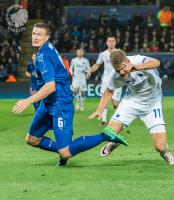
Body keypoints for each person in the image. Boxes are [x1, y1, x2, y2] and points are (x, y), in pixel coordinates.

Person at [12, 23, 128, 166]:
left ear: (47, 37)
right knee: (32, 139)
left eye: (39, 35)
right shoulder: (43, 51)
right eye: (34, 33)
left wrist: (27, 101)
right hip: (48, 102)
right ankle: (63, 151)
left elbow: (50, 86)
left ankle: (105, 135)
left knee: (65, 151)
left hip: (60, 103)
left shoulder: (43, 56)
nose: (35, 37)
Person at [89, 49, 174, 165]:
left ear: (127, 61)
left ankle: (166, 153)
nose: (120, 72)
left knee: (159, 146)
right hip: (131, 102)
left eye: (122, 68)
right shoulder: (115, 75)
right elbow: (108, 91)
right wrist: (99, 110)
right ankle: (115, 142)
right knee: (108, 133)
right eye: (117, 70)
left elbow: (157, 62)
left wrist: (136, 67)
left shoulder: (138, 59)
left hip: (152, 104)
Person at [86, 36, 122, 126]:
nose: (111, 43)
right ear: (106, 43)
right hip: (106, 80)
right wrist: (90, 70)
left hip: (117, 80)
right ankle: (104, 121)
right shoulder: (103, 54)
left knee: (115, 103)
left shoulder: (119, 53)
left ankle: (121, 119)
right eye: (109, 41)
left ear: (115, 43)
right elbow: (97, 65)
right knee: (104, 100)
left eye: (113, 41)